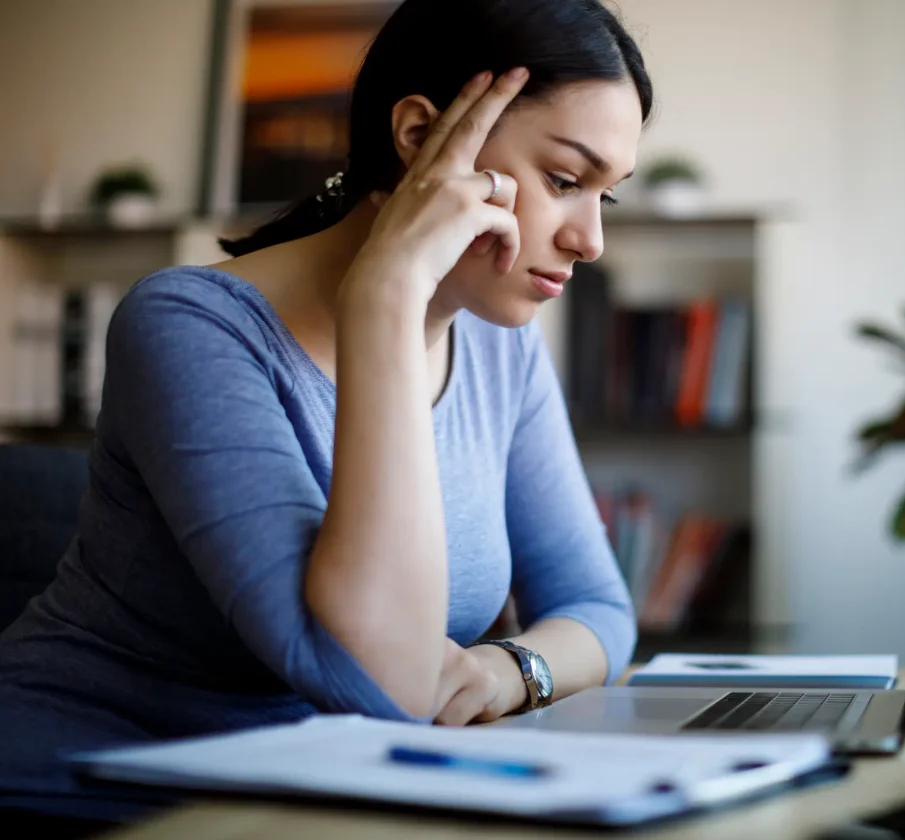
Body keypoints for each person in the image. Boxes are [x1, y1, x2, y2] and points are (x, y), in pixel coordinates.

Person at [0, 0, 653, 831]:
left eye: (608, 196)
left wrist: (507, 670)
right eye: (565, 181)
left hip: (327, 793)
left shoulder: (500, 347)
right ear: (419, 136)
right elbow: (373, 682)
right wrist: (384, 297)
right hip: (89, 793)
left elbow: (600, 610)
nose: (590, 239)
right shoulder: (187, 325)